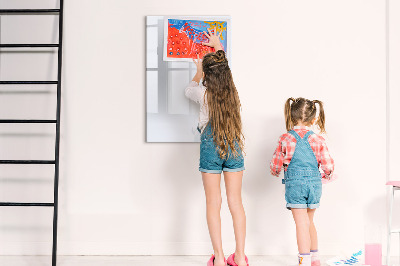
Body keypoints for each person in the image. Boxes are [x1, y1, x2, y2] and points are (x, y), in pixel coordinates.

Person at [185, 28, 249, 266]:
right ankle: (240, 258)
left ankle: (220, 259)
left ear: (207, 77)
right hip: (233, 146)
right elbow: (224, 69)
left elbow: (188, 90)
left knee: (213, 203)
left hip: (211, 148)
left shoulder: (203, 94)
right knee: (236, 202)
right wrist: (218, 46)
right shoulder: (233, 93)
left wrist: (198, 71)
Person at [270, 98, 335, 266]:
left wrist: (275, 171)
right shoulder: (318, 139)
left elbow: (275, 164)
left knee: (301, 224)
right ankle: (315, 260)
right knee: (309, 222)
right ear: (313, 120)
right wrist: (327, 175)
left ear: (291, 117)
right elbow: (328, 165)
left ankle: (304, 261)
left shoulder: (285, 138)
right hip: (314, 185)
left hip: (295, 186)